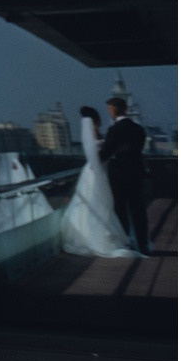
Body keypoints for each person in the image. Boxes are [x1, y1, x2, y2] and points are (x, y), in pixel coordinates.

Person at [60, 104, 136, 258]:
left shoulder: (90, 133)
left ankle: (94, 233)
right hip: (97, 171)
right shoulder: (94, 133)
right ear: (96, 119)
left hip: (94, 170)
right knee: (100, 202)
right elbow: (102, 152)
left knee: (95, 202)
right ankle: (101, 235)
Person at [102, 93, 152, 254]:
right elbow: (137, 150)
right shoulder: (138, 129)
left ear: (113, 110)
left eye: (109, 109)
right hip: (136, 173)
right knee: (138, 209)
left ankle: (125, 243)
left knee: (120, 209)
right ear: (125, 109)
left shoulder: (114, 130)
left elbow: (105, 154)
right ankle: (143, 244)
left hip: (119, 175)